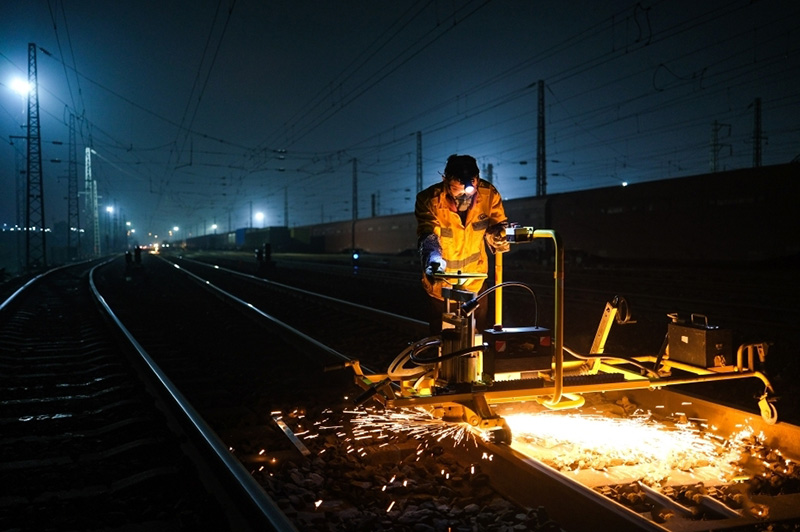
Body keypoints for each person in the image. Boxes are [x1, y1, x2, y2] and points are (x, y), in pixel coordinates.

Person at [415, 154, 509, 334]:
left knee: (477, 338)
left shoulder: (488, 195)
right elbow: (427, 232)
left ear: (477, 179)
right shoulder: (429, 200)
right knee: (444, 341)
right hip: (442, 287)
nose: (464, 197)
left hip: (475, 282)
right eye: (457, 191)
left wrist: (498, 235)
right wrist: (433, 258)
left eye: (469, 190)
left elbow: (498, 225)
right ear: (445, 181)